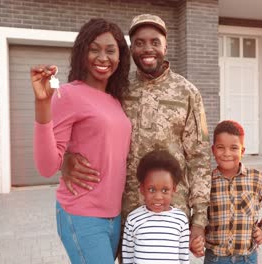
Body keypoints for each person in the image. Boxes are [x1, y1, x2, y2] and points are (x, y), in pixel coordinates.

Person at [60, 14, 211, 257]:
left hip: (172, 212)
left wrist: (199, 221)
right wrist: (65, 156)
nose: (147, 48)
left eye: (154, 41)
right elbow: (85, 126)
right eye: (139, 42)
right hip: (125, 211)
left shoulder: (188, 92)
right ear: (131, 49)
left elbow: (199, 158)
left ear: (165, 46)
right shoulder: (118, 89)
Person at [31, 18, 131, 263]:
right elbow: (46, 167)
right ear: (82, 52)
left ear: (120, 57)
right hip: (82, 213)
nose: (102, 57)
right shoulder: (68, 94)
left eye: (110, 50)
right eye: (94, 49)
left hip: (114, 216)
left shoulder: (116, 100)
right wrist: (42, 104)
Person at [204, 120, 262, 264]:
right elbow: (197, 213)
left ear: (242, 151)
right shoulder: (207, 182)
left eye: (234, 148)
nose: (227, 153)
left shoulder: (256, 178)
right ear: (213, 150)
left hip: (247, 258)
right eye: (221, 148)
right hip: (215, 258)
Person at [122, 150, 190, 264]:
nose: (158, 197)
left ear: (173, 189)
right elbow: (128, 258)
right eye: (152, 189)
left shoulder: (181, 220)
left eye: (165, 190)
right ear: (142, 189)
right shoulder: (133, 219)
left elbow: (184, 258)